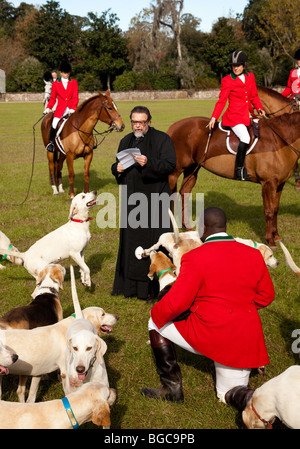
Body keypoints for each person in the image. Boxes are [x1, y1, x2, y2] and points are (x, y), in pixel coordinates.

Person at [142, 207, 275, 404]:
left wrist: (156, 311)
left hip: (210, 332)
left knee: (155, 322)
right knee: (228, 395)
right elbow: (266, 296)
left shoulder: (195, 257)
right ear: (224, 227)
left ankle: (172, 387)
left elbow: (176, 303)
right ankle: (270, 401)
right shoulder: (254, 254)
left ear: (204, 228)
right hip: (245, 336)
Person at [111, 106, 176, 301]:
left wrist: (148, 163)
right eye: (134, 122)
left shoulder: (162, 139)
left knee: (155, 243)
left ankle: (155, 289)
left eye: (142, 122)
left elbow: (170, 165)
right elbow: (117, 166)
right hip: (132, 201)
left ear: (149, 121)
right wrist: (117, 168)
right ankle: (130, 288)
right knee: (132, 243)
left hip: (155, 198)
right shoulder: (126, 140)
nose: (138, 125)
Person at [208, 50, 265, 181]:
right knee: (245, 138)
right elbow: (222, 100)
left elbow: (254, 96)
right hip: (234, 117)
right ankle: (238, 170)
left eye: (238, 65)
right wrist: (214, 117)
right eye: (233, 66)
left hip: (248, 115)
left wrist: (259, 108)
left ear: (244, 65)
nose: (236, 68)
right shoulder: (227, 80)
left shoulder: (251, 77)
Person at [43, 61, 79, 152]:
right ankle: (51, 143)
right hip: (60, 109)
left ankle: (86, 142)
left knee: (81, 122)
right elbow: (53, 98)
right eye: (64, 72)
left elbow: (75, 97)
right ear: (61, 72)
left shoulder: (74, 82)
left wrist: (73, 108)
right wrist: (48, 107)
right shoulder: (55, 84)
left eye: (68, 72)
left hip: (71, 109)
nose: (66, 74)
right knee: (54, 124)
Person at [281, 49, 300, 190]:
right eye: (297, 59)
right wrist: (279, 98)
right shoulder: (293, 72)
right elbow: (288, 88)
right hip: (293, 104)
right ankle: (297, 175)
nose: (298, 61)